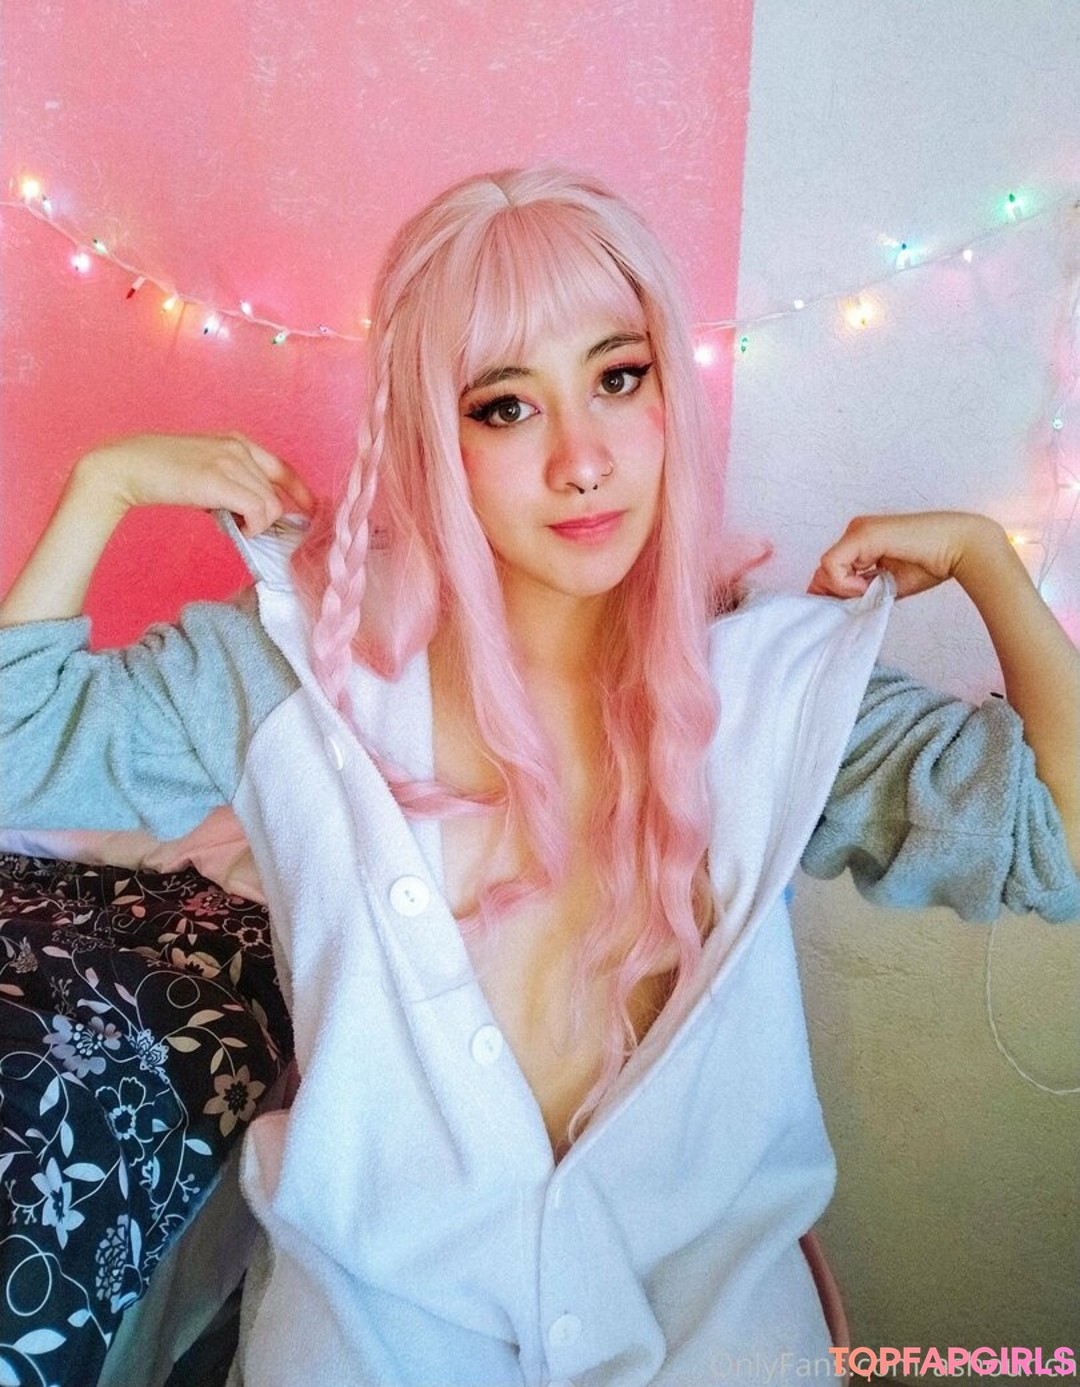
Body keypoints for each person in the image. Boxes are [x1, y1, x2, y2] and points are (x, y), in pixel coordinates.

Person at [1, 165, 1077, 1385]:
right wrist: (106, 486)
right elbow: (17, 754)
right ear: (431, 436)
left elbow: (1059, 840)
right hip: (376, 1327)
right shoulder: (290, 665)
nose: (583, 459)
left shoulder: (766, 683)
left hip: (709, 1330)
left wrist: (991, 565)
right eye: (506, 406)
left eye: (620, 378)